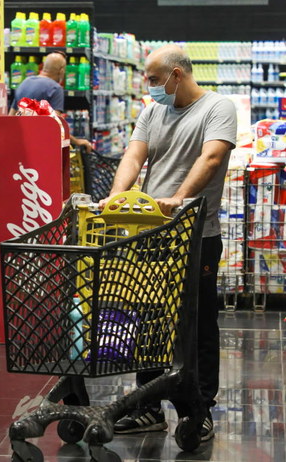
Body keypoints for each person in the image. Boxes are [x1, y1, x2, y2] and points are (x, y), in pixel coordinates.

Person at [101, 44, 237, 442]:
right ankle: (148, 408)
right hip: (150, 232)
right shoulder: (152, 111)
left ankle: (200, 408)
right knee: (148, 318)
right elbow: (133, 155)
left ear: (178, 74)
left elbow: (211, 158)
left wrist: (179, 197)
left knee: (197, 324)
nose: (151, 88)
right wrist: (116, 195)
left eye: (155, 80)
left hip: (197, 235)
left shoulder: (218, 108)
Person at [8, 52, 93, 153]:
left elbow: (11, 117)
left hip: (20, 145)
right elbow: (55, 125)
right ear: (61, 70)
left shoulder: (25, 82)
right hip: (42, 147)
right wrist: (77, 141)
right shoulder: (55, 88)